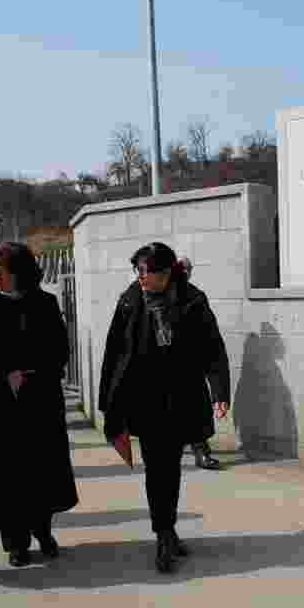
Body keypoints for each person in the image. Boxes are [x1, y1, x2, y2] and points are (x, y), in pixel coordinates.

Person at [98, 242, 231, 573]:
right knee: (158, 468)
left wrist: (219, 391)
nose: (141, 278)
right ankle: (163, 533)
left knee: (168, 468)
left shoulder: (192, 300)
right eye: (138, 271)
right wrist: (108, 401)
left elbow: (212, 347)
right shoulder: (130, 300)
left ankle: (166, 530)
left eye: (148, 272)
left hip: (181, 395)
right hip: (144, 397)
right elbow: (114, 351)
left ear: (167, 272)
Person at [0, 242, 78, 567]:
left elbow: (59, 350)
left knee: (41, 469)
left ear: (21, 274)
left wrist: (34, 374)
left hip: (40, 400)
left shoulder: (45, 303)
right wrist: (3, 375)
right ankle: (15, 541)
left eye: (3, 272)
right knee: (7, 473)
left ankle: (43, 530)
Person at [176, 256, 222, 471]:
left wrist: (219, 392)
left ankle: (201, 450)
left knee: (195, 404)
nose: (184, 272)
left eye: (187, 269)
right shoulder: (149, 295)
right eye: (180, 268)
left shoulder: (196, 297)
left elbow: (212, 343)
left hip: (189, 364)